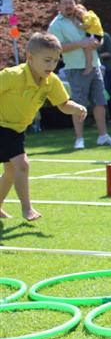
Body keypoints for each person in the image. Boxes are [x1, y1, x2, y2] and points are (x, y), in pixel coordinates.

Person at [0, 33, 87, 221]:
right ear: (30, 58)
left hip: (17, 129)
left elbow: (63, 104)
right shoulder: (12, 76)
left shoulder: (51, 81)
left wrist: (77, 108)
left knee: (12, 170)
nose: (52, 65)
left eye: (55, 61)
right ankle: (27, 209)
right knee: (21, 165)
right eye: (47, 60)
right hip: (2, 126)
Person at [47, 0, 111, 150]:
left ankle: (103, 136)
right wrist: (81, 43)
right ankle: (79, 139)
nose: (69, 6)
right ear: (58, 6)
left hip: (95, 65)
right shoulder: (55, 25)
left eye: (71, 2)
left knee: (100, 102)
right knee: (78, 104)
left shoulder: (82, 16)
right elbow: (57, 48)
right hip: (75, 68)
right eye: (65, 3)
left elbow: (96, 33)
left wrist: (97, 42)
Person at [74, 4, 104, 76]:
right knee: (87, 47)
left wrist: (78, 24)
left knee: (86, 47)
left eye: (78, 11)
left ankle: (89, 65)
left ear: (83, 9)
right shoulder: (91, 14)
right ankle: (89, 65)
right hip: (96, 35)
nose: (78, 14)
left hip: (94, 35)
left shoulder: (87, 15)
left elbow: (87, 25)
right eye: (76, 14)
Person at [97, 29, 111, 123]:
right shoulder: (86, 36)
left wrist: (96, 55)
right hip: (94, 68)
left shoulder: (105, 36)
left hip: (107, 68)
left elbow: (110, 53)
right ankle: (100, 118)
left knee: (108, 91)